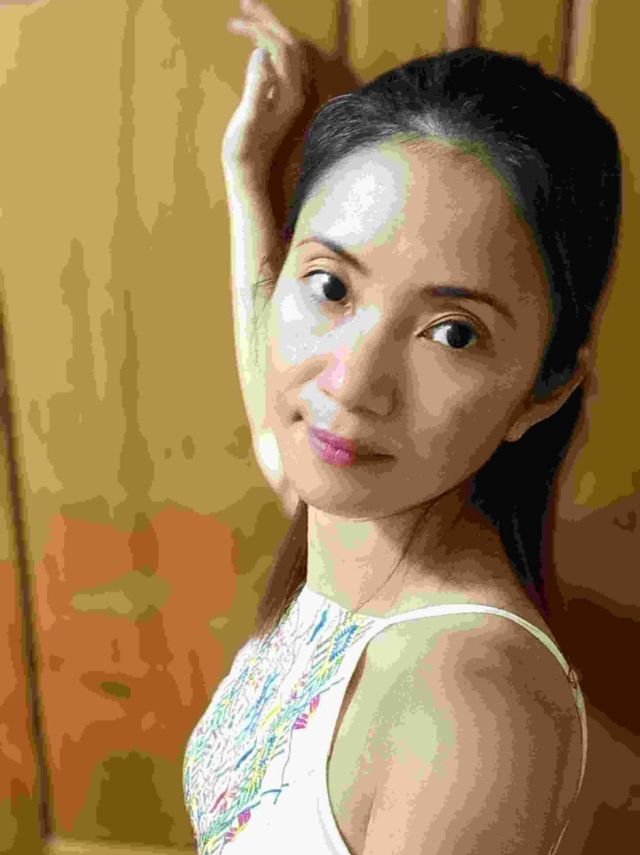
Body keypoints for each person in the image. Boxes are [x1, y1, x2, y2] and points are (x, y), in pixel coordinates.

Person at [183, 2, 621, 853]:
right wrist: (247, 179)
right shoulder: (349, 521)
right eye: (332, 286)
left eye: (453, 333)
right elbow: (278, 430)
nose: (350, 385)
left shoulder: (465, 718)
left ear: (543, 393)